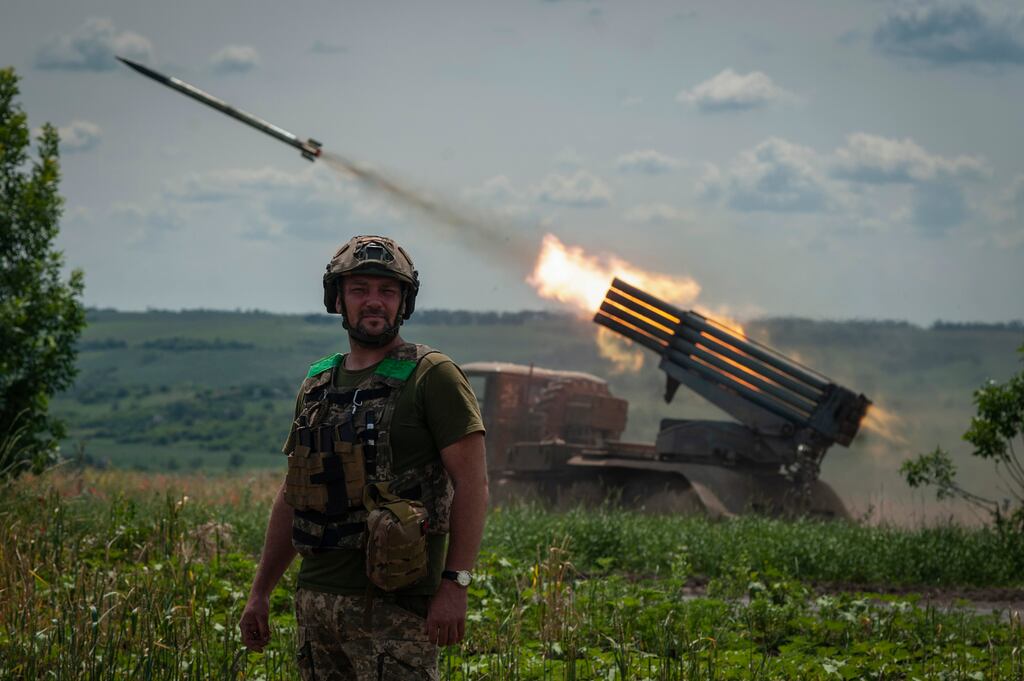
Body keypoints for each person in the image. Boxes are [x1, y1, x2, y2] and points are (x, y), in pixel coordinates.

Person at [239, 235, 488, 680]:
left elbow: (473, 486)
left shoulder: (434, 376)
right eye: (359, 290)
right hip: (316, 602)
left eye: (387, 291)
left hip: (397, 607)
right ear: (338, 298)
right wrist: (260, 592)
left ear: (404, 302)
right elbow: (292, 492)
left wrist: (455, 585)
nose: (374, 302)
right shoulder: (317, 383)